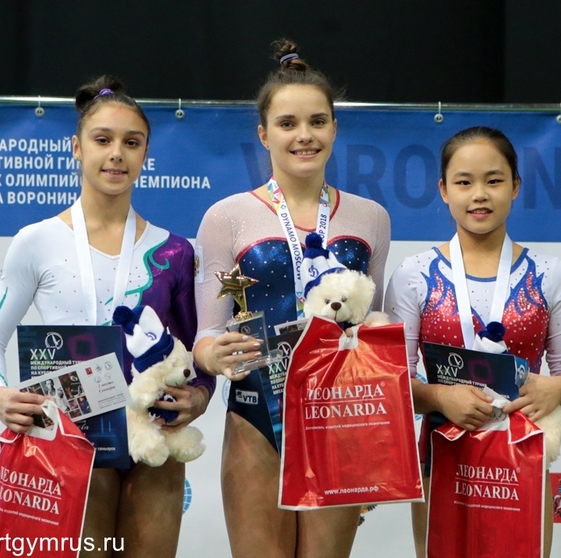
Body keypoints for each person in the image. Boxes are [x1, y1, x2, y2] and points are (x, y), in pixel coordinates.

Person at [0, 75, 214, 558]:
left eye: (132, 142)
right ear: (77, 148)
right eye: (102, 140)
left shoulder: (174, 252)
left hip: (155, 442)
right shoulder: (37, 241)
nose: (117, 154)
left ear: (146, 154)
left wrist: (202, 395)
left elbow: (197, 353)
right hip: (71, 441)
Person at [193, 39, 391, 558]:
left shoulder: (371, 217)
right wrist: (213, 355)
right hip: (258, 415)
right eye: (287, 123)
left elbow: (375, 322)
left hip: (341, 418)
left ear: (334, 127)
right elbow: (206, 335)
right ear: (264, 134)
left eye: (317, 121)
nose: (304, 135)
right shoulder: (226, 217)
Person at [384, 126, 561, 558]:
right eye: (464, 182)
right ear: (444, 190)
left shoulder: (551, 274)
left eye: (493, 180)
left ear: (515, 186)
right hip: (440, 459)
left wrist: (555, 389)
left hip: (522, 460)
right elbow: (393, 382)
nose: (479, 195)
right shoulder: (413, 275)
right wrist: (440, 396)